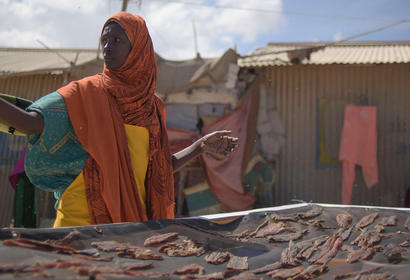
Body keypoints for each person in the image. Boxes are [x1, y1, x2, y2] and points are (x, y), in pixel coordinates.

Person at [0, 12, 238, 228]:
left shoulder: (151, 108)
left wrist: (199, 147)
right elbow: (29, 123)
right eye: (104, 40)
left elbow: (157, 170)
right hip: (78, 224)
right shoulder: (85, 93)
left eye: (116, 40)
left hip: (129, 228)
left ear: (138, 47)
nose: (107, 47)